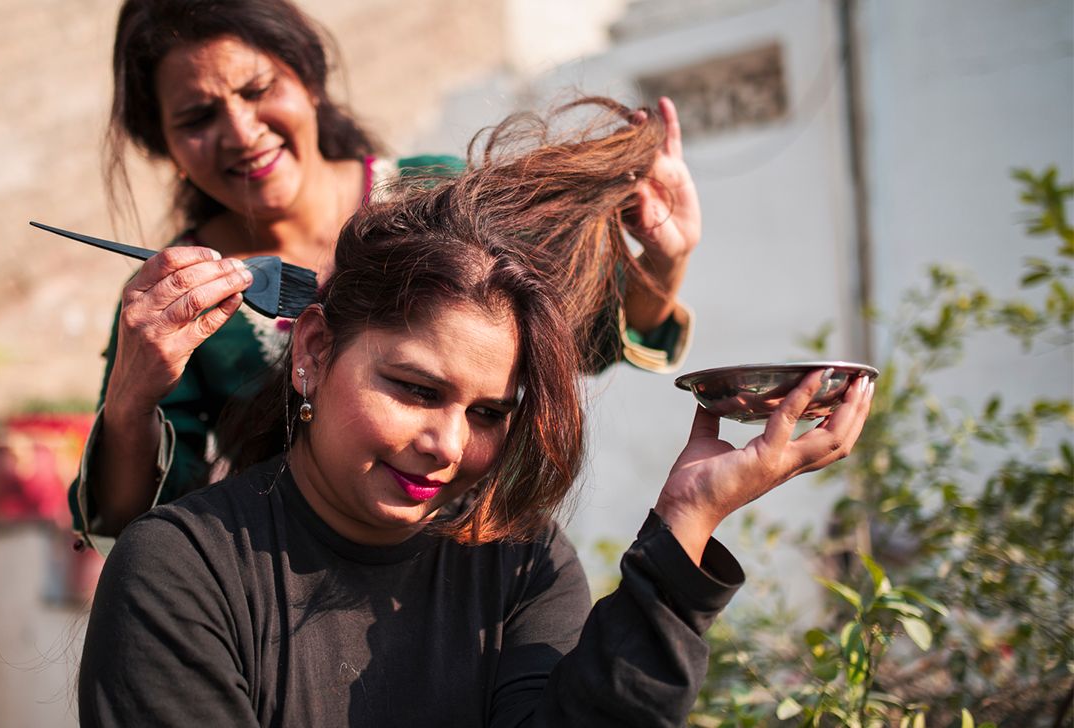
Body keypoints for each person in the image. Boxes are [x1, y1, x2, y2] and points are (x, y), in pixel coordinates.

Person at [76, 98, 875, 727]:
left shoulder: (521, 561)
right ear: (313, 351)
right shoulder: (180, 575)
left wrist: (686, 527)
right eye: (416, 390)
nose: (447, 446)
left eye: (490, 412)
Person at [69, 0, 702, 552]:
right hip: (290, 590)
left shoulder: (433, 190)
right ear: (165, 148)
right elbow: (132, 523)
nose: (241, 131)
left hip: (470, 559)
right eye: (198, 118)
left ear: (310, 77)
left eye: (258, 89)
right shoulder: (175, 297)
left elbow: (574, 342)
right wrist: (130, 397)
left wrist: (663, 260)